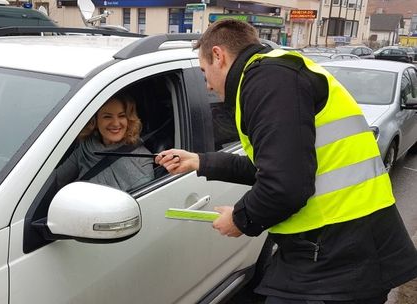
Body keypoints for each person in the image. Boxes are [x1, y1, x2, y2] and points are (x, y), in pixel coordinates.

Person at [156, 19, 417, 303]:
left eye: (205, 72)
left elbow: (285, 184)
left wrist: (240, 219)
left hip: (340, 252)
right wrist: (199, 161)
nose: (206, 84)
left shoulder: (268, 80)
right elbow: (272, 169)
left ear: (218, 55)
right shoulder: (274, 74)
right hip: (337, 245)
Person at [56, 93, 154, 192]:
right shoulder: (86, 147)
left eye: (122, 116)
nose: (116, 123)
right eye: (107, 117)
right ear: (95, 121)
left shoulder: (142, 158)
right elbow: (57, 180)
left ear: (128, 119)